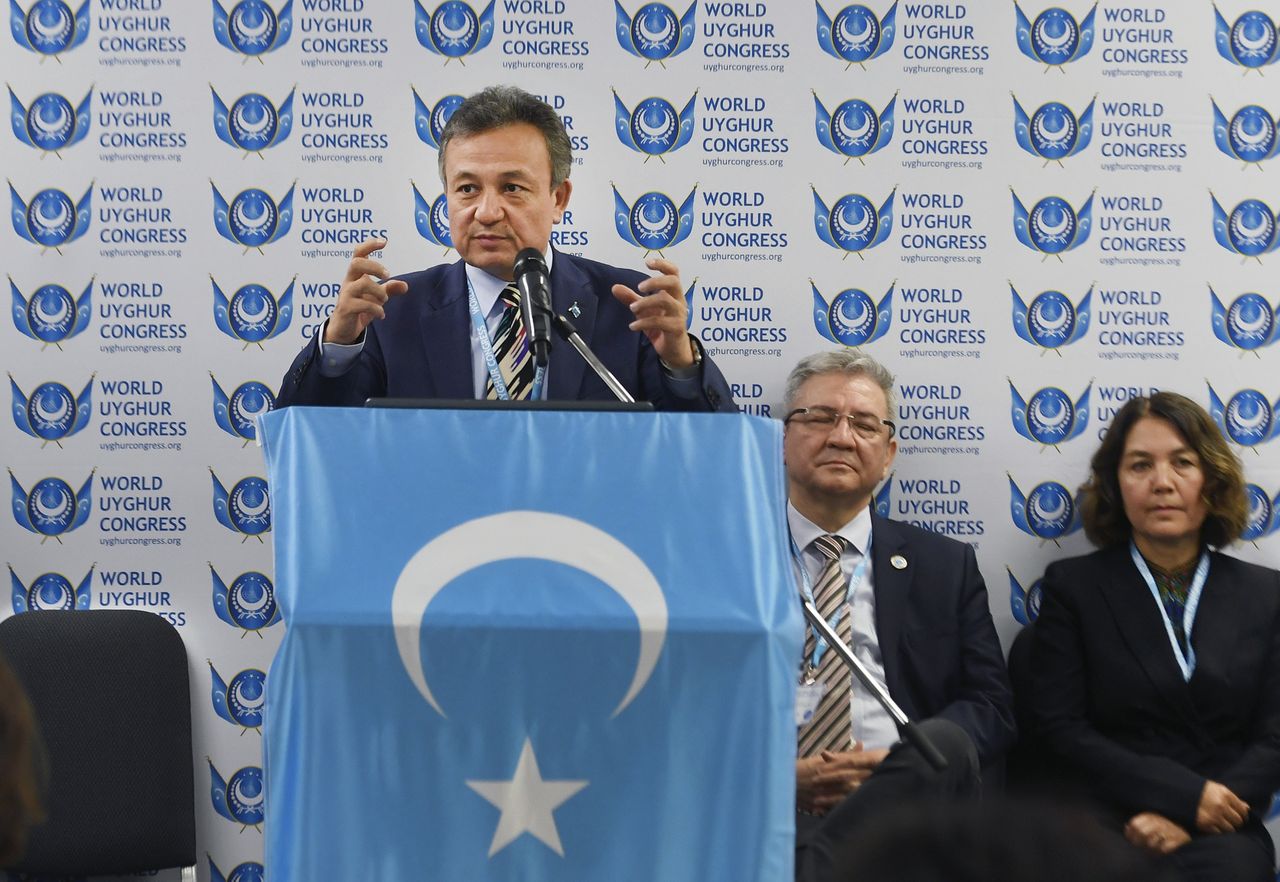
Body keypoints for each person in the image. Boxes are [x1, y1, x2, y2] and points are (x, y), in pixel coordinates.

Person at [275, 85, 735, 412]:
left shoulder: (630, 305)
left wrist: (679, 363)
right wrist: (339, 346)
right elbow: (308, 450)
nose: (487, 211)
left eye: (512, 187)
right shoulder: (391, 311)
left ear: (558, 199)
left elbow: (706, 458)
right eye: (467, 189)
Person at [781, 350, 1015, 882]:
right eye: (820, 418)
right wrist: (775, 778)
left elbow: (990, 707)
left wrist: (897, 768)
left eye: (863, 424)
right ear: (783, 437)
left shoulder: (944, 565)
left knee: (945, 746)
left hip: (901, 807)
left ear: (888, 454)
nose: (841, 437)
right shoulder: (733, 553)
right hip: (768, 801)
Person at [1026, 391, 1280, 882]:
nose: (1162, 482)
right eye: (1140, 466)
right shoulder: (1074, 587)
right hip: (1104, 815)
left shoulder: (1266, 595)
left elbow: (1275, 737)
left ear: (1212, 479)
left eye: (1182, 463)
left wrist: (1199, 813)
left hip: (1223, 823)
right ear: (1116, 485)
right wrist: (1181, 797)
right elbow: (1059, 729)